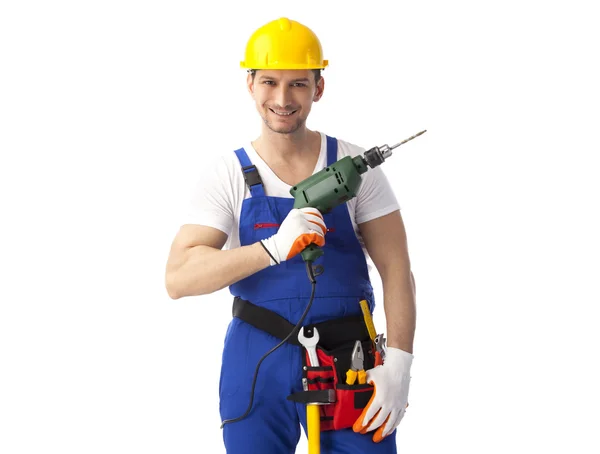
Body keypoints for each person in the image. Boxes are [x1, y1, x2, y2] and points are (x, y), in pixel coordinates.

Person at [165, 17, 416, 454]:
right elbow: (179, 278)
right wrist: (272, 248)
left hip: (348, 356)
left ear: (319, 87)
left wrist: (399, 363)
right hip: (257, 355)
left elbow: (397, 270)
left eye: (298, 84)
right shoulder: (228, 174)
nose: (283, 99)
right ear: (250, 84)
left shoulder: (354, 167)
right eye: (270, 82)